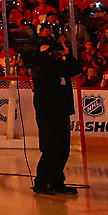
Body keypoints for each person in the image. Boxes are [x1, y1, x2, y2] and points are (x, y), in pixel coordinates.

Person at [23, 28, 81, 197]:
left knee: (64, 149)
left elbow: (76, 68)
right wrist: (46, 55)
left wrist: (65, 55)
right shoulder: (40, 65)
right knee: (50, 149)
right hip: (48, 112)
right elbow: (45, 73)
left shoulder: (60, 64)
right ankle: (41, 182)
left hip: (62, 111)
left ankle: (57, 181)